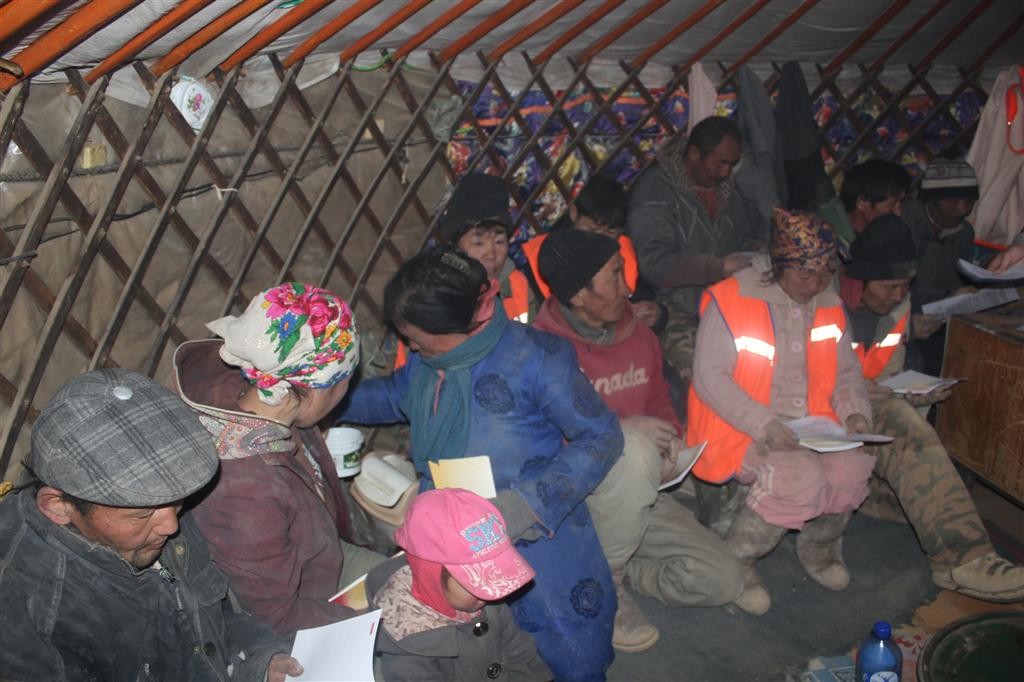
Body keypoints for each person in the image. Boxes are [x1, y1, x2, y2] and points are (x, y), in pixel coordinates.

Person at [339, 246, 623, 681]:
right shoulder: (426, 364)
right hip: (451, 539)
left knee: (563, 648)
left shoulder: (536, 358)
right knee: (471, 648)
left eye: (413, 334)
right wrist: (327, 400)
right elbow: (391, 396)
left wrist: (524, 506)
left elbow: (602, 436)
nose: (408, 344)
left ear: (453, 324)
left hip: (533, 534)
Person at [0, 369, 302, 681]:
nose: (171, 525)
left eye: (176, 500)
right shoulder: (27, 623)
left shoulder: (157, 505)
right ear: (59, 506)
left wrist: (257, 661)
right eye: (141, 514)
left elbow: (215, 619)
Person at [533, 229, 742, 652]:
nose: (628, 288)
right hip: (573, 504)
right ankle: (604, 582)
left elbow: (659, 399)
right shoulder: (538, 352)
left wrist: (670, 440)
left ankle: (621, 568)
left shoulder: (639, 335)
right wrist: (625, 431)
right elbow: (535, 448)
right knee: (630, 445)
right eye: (614, 277)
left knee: (724, 580)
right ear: (578, 295)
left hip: (637, 492)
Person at [689, 208, 876, 615]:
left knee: (851, 469)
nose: (816, 285)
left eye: (824, 274)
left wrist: (854, 413)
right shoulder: (733, 299)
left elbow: (846, 372)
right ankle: (740, 559)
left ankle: (819, 547)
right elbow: (709, 378)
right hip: (741, 424)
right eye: (805, 275)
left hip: (811, 425)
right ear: (779, 264)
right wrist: (764, 424)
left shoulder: (829, 304)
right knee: (796, 476)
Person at [174, 282, 385, 637]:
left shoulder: (267, 393)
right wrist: (374, 620)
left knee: (411, 579)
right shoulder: (244, 488)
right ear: (320, 388)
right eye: (345, 381)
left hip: (322, 558)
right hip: (299, 611)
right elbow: (276, 617)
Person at [841, 215, 1024, 602]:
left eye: (905, 285)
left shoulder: (897, 306)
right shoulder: (822, 306)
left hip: (867, 409)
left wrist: (915, 393)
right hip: (823, 415)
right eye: (889, 286)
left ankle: (876, 500)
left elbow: (887, 377)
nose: (898, 295)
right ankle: (962, 560)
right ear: (859, 281)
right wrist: (878, 399)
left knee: (932, 481)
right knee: (904, 429)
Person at [627, 116, 764, 386]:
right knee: (701, 376)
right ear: (693, 154)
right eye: (720, 162)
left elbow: (743, 238)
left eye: (732, 164)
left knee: (757, 368)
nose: (726, 171)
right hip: (672, 307)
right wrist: (716, 267)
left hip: (727, 304)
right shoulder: (656, 191)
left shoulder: (730, 193)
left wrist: (760, 251)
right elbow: (653, 263)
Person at [367, 488, 552, 681]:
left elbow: (518, 650)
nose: (492, 591)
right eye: (477, 581)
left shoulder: (486, 598)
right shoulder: (409, 647)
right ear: (431, 575)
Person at [522, 173, 665, 332]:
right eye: (593, 230)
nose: (600, 240)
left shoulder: (624, 250)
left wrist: (656, 314)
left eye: (610, 233)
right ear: (574, 213)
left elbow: (644, 298)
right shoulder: (541, 257)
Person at [902, 157, 980, 375]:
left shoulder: (964, 233)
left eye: (968, 202)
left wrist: (961, 295)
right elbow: (893, 288)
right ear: (932, 200)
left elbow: (955, 282)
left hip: (934, 321)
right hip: (901, 321)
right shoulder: (905, 223)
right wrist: (946, 297)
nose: (962, 210)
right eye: (953, 202)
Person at [818, 159, 911, 253]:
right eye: (893, 204)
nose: (898, 212)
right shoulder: (822, 242)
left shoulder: (883, 236)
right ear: (862, 202)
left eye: (901, 203)